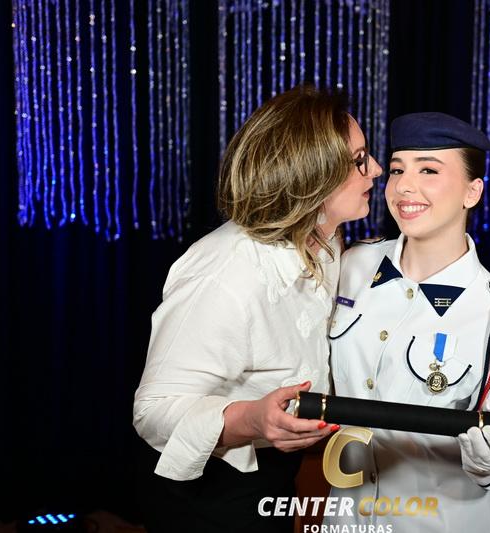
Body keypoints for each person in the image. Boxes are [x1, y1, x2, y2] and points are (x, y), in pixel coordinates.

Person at [132, 85, 382, 533]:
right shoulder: (225, 275)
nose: (377, 169)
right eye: (360, 159)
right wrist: (251, 418)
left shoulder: (325, 238)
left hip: (278, 475)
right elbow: (153, 412)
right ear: (313, 175)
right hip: (211, 490)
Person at [324, 112, 490, 532]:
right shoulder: (351, 266)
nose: (404, 186)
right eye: (397, 169)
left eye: (428, 170)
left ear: (472, 192)